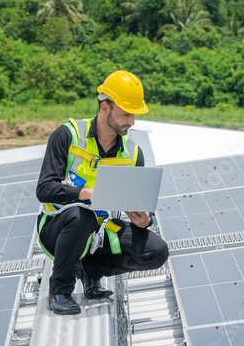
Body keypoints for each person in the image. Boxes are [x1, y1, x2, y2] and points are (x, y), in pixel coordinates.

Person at [35, 70, 170, 315]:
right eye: (126, 113)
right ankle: (60, 291)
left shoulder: (133, 154)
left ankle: (91, 270)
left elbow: (135, 202)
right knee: (80, 216)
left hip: (99, 229)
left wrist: (143, 220)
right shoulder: (67, 135)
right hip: (57, 228)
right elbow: (44, 189)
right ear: (105, 107)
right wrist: (85, 193)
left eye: (134, 115)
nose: (131, 121)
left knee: (156, 251)